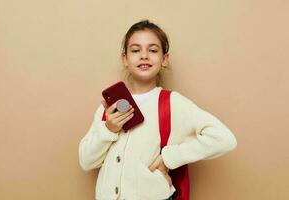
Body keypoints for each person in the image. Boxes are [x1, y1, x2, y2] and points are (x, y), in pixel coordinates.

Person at [78, 19, 237, 200]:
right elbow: (86, 161)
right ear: (125, 59)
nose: (144, 56)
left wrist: (169, 158)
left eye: (153, 50)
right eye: (135, 50)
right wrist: (108, 130)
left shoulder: (172, 103)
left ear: (164, 59)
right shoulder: (108, 108)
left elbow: (224, 139)